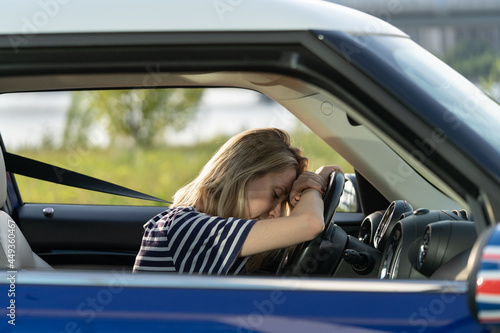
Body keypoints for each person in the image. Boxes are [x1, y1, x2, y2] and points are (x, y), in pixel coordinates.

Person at [133, 128, 341, 275]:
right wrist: (314, 184)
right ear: (241, 176)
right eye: (276, 195)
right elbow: (310, 224)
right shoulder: (188, 228)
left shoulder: (211, 227)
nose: (276, 213)